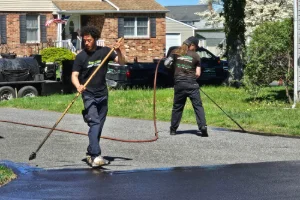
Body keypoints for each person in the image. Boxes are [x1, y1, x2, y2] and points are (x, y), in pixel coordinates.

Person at [71, 26, 125, 167]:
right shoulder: (81, 57)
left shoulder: (105, 52)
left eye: (89, 40)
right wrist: (78, 86)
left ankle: (90, 152)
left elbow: (122, 62)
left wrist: (118, 49)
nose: (86, 43)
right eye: (84, 40)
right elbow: (74, 75)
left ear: (95, 39)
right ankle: (96, 155)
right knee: (95, 122)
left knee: (98, 125)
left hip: (102, 93)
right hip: (88, 94)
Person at [164, 36, 208, 137]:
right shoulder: (196, 56)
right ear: (192, 45)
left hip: (179, 84)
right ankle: (203, 127)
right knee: (198, 106)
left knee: (177, 107)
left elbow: (166, 64)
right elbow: (197, 74)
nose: (196, 49)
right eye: (196, 46)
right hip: (192, 84)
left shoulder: (175, 52)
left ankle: (173, 129)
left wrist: (175, 68)